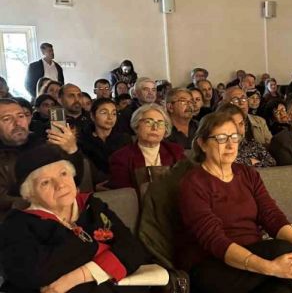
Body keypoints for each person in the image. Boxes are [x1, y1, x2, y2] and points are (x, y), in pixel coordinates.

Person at [177, 111, 292, 293]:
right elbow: (214, 240)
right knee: (283, 249)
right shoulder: (193, 183)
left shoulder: (247, 174)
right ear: (202, 144)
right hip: (211, 266)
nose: (230, 145)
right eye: (221, 138)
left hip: (252, 261)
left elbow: (272, 216)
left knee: (281, 289)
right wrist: (271, 268)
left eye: (234, 137)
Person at [0, 144, 149, 293]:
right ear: (30, 194)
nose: (60, 185)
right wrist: (99, 248)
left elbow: (134, 250)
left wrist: (72, 278)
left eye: (63, 173)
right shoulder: (17, 223)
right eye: (45, 182)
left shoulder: (93, 205)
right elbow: (34, 274)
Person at [0, 98, 84, 219]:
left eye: (21, 116)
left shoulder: (44, 143)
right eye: (7, 119)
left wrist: (72, 150)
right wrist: (45, 203)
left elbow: (76, 180)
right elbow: (4, 200)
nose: (17, 123)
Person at [108, 104, 185, 189]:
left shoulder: (176, 151)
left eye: (160, 123)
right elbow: (124, 193)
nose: (155, 128)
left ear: (165, 130)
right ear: (136, 125)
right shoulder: (121, 158)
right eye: (149, 122)